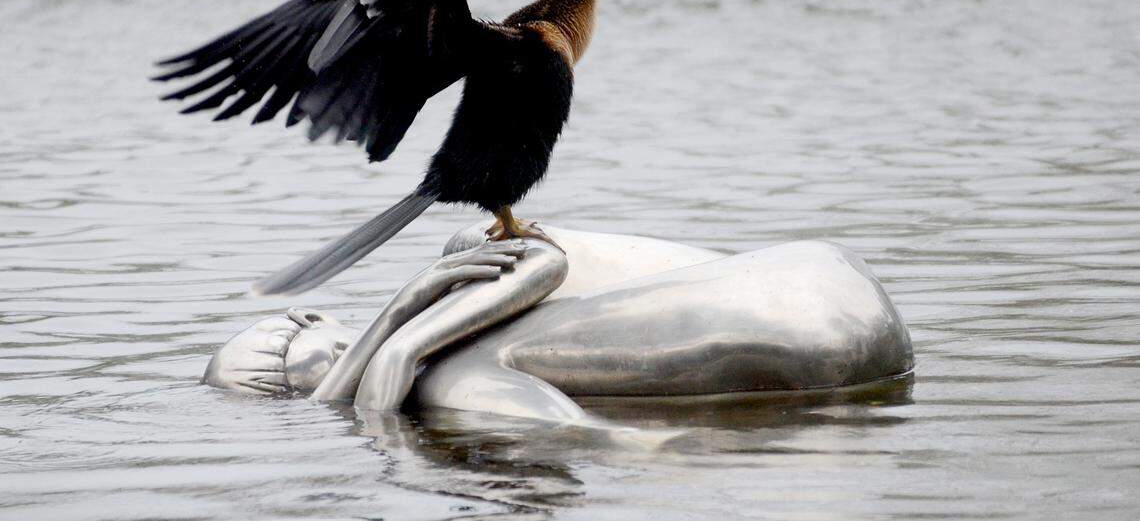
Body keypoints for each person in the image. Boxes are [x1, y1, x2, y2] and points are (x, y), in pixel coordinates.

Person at [205, 223, 914, 425]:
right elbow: (568, 425)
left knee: (470, 248)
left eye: (329, 353)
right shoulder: (437, 367)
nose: (343, 367)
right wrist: (400, 328)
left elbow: (543, 259)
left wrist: (404, 323)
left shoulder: (435, 342)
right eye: (314, 379)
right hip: (830, 309)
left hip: (817, 303)